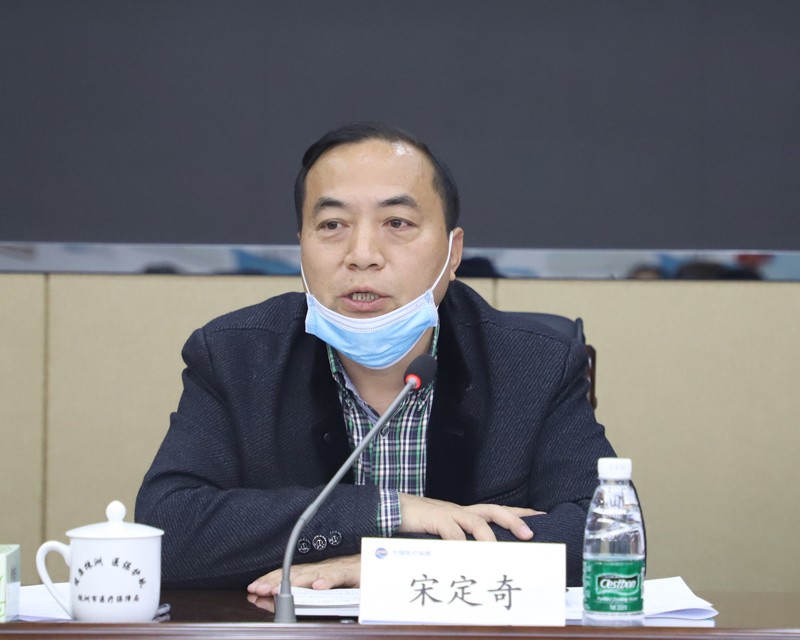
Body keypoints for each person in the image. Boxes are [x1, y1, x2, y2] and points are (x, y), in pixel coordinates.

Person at [135, 122, 616, 594]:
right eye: (332, 225)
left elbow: (606, 536)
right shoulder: (236, 357)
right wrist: (390, 511)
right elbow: (168, 532)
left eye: (397, 223)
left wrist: (391, 564)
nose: (362, 254)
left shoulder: (535, 363)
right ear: (301, 246)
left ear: (453, 253)